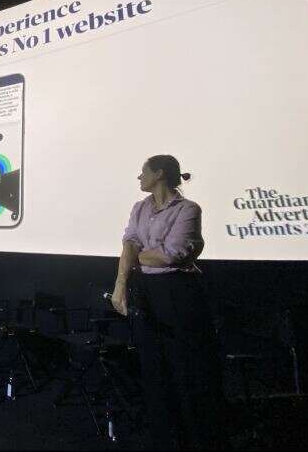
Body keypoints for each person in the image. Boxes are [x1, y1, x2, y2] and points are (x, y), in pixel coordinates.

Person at [111, 155, 228, 450]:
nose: (139, 178)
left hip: (178, 294)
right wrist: (121, 282)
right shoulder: (140, 208)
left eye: (143, 172)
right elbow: (130, 241)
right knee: (153, 368)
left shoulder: (188, 209)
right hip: (146, 292)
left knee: (185, 369)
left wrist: (135, 256)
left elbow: (173, 254)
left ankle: (197, 438)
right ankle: (165, 437)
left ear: (159, 174)